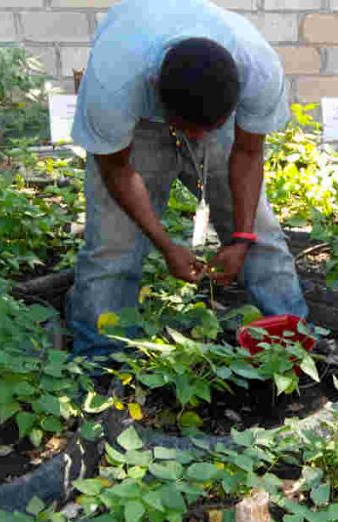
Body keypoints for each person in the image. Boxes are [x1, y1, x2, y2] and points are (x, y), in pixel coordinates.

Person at [68, 0, 309, 358]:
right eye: (187, 130)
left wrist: (242, 238)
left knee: (261, 233)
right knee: (112, 246)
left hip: (205, 103)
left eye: (206, 131)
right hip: (141, 119)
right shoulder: (113, 84)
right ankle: (103, 363)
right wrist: (167, 246)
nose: (196, 141)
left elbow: (247, 152)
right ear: (156, 94)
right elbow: (117, 168)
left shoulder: (258, 68)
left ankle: (294, 342)